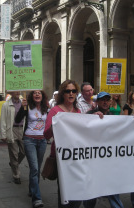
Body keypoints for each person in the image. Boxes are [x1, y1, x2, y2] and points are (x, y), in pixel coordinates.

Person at [44, 79, 96, 208]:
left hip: (76, 157)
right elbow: (46, 135)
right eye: (68, 91)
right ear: (63, 93)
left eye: (74, 91)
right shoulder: (55, 111)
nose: (71, 94)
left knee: (77, 192)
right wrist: (55, 125)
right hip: (61, 158)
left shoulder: (77, 111)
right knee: (65, 194)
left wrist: (96, 117)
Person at [87, 92, 124, 208]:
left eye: (107, 100)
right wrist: (92, 118)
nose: (105, 102)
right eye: (102, 100)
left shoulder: (113, 115)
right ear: (97, 102)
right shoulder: (90, 113)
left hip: (110, 157)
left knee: (112, 184)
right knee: (92, 187)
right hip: (94, 157)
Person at [15, 91, 48, 208]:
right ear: (31, 96)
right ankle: (37, 198)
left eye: (39, 93)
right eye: (35, 93)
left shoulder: (46, 108)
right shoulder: (27, 106)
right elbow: (18, 120)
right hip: (29, 140)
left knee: (37, 168)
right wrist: (22, 107)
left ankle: (32, 189)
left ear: (42, 96)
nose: (37, 95)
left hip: (43, 141)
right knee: (34, 168)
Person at [0, 91, 25, 185]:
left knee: (24, 151)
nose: (18, 92)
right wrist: (3, 134)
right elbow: (3, 119)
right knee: (13, 153)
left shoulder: (24, 103)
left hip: (23, 130)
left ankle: (14, 163)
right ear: (11, 93)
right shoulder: (6, 105)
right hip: (12, 129)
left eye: (19, 91)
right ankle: (16, 175)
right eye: (15, 91)